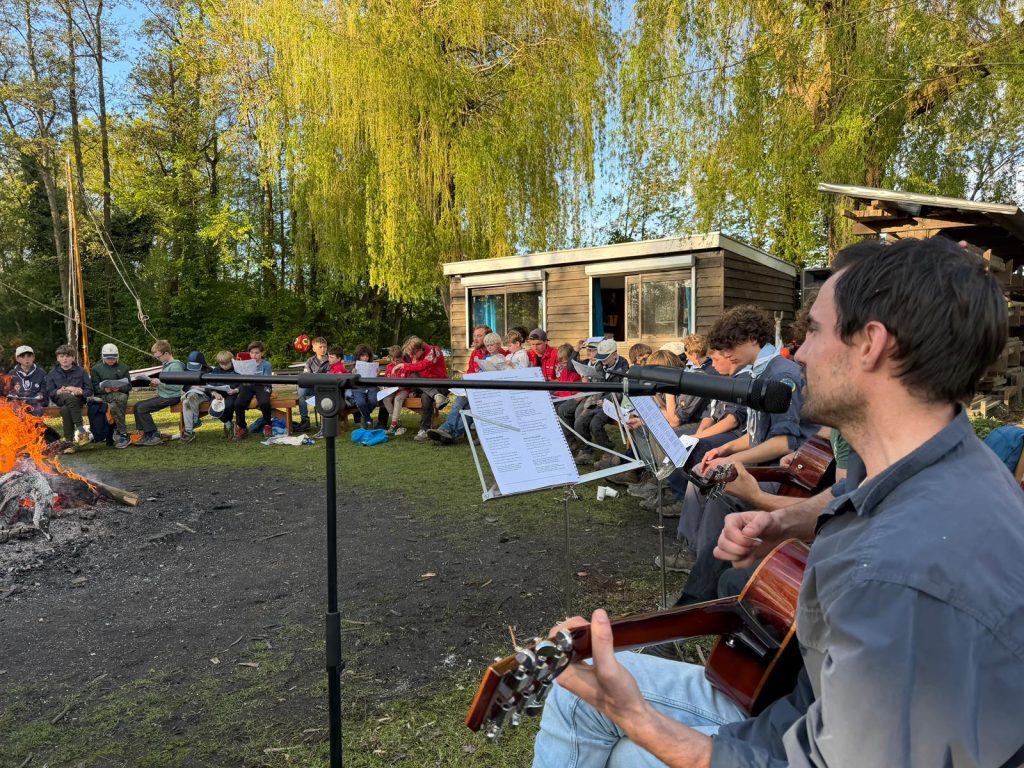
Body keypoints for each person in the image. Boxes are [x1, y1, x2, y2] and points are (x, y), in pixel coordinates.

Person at [533, 236, 1024, 768]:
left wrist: (637, 718)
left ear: (871, 344)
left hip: (811, 739)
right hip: (799, 708)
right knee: (574, 696)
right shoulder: (933, 460)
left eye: (814, 330)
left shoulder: (903, 573)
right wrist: (784, 521)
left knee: (631, 750)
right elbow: (848, 496)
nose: (800, 352)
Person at [427, 332, 509, 445]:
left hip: (490, 392)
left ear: (498, 344)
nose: (489, 347)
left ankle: (447, 432)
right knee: (460, 402)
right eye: (487, 345)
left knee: (470, 408)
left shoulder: (503, 357)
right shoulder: (483, 356)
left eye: (492, 345)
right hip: (477, 387)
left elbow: (504, 375)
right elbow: (473, 371)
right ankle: (447, 432)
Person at [572, 338, 629, 469]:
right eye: (600, 357)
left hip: (613, 404)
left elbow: (622, 392)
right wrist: (590, 394)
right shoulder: (600, 365)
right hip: (597, 401)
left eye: (605, 357)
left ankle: (609, 453)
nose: (601, 360)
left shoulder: (624, 369)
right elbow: (596, 385)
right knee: (579, 422)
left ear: (614, 354)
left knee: (595, 424)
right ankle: (586, 451)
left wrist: (606, 400)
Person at [390, 336, 448, 442]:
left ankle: (424, 429)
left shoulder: (434, 351)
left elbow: (422, 365)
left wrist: (403, 365)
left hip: (441, 384)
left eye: (413, 354)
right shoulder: (416, 355)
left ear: (420, 349)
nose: (412, 357)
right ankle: (436, 397)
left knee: (426, 396)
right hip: (427, 387)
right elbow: (415, 372)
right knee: (422, 390)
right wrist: (413, 390)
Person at [133, 339, 184, 447]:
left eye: (158, 357)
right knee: (137, 406)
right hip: (164, 395)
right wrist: (155, 385)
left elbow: (178, 387)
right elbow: (166, 383)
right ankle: (145, 435)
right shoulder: (167, 365)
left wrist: (160, 383)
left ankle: (153, 435)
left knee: (142, 408)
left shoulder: (176, 366)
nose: (157, 359)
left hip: (172, 397)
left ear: (166, 353)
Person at [45, 344, 93, 452]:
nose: (65, 359)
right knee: (68, 398)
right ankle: (82, 431)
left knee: (66, 409)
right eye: (62, 356)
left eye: (67, 356)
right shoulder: (52, 373)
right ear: (58, 358)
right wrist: (58, 391)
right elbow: (50, 391)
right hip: (60, 399)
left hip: (78, 399)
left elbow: (89, 390)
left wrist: (79, 391)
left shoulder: (81, 371)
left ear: (73, 358)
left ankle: (69, 443)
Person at [90, 343, 131, 448]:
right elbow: (94, 387)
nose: (111, 360)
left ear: (117, 356)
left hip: (119, 395)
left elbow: (128, 386)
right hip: (104, 396)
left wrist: (119, 388)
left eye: (113, 358)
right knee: (120, 399)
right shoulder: (95, 369)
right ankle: (123, 434)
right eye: (108, 358)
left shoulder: (124, 367)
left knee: (114, 405)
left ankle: (120, 433)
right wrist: (105, 389)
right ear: (103, 357)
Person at [233, 341, 274, 439]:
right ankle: (242, 427)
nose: (254, 355)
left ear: (262, 353)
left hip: (263, 385)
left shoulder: (266, 364)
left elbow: (267, 380)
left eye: (257, 353)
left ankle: (267, 425)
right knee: (238, 404)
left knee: (264, 402)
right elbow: (242, 380)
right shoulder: (246, 364)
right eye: (252, 353)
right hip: (248, 385)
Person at [297, 337, 329, 432]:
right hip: (313, 387)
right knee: (301, 390)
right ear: (314, 349)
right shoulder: (310, 361)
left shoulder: (330, 360)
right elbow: (306, 377)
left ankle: (326, 420)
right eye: (320, 347)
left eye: (325, 347)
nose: (323, 349)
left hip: (326, 388)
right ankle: (305, 420)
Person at [179, 351, 212, 443]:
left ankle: (192, 425)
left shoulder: (209, 371)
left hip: (204, 395)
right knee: (186, 402)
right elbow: (185, 386)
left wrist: (203, 388)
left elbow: (214, 387)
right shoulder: (187, 370)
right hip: (191, 395)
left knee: (189, 399)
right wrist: (192, 387)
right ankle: (189, 430)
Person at [6, 345, 47, 417]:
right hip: (17, 403)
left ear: (33, 357)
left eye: (29, 356)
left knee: (37, 412)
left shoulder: (41, 373)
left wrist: (35, 399)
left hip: (35, 403)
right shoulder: (12, 373)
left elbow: (44, 391)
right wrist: (14, 397)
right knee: (15, 412)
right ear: (17, 359)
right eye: (23, 356)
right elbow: (8, 391)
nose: (26, 359)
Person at [380, 344, 412, 436]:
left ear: (401, 357)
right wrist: (386, 387)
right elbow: (387, 380)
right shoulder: (389, 367)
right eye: (393, 359)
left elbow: (411, 381)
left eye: (397, 359)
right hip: (392, 390)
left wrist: (412, 391)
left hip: (403, 389)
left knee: (398, 399)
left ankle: (393, 424)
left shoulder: (406, 366)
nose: (395, 361)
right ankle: (397, 422)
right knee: (386, 399)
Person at [209, 351, 240, 438]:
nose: (224, 366)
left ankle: (229, 425)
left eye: (227, 364)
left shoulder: (237, 369)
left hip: (231, 393)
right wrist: (215, 393)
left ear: (231, 361)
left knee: (229, 405)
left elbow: (242, 384)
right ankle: (228, 423)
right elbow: (210, 385)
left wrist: (235, 390)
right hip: (218, 394)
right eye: (222, 364)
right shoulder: (215, 370)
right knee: (214, 408)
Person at [348, 344, 379, 429]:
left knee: (373, 401)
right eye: (363, 356)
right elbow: (349, 379)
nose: (365, 358)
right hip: (358, 388)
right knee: (360, 403)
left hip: (371, 387)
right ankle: (368, 419)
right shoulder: (354, 366)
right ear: (358, 356)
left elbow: (376, 378)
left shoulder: (372, 365)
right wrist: (352, 373)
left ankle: (364, 418)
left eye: (367, 356)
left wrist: (377, 373)